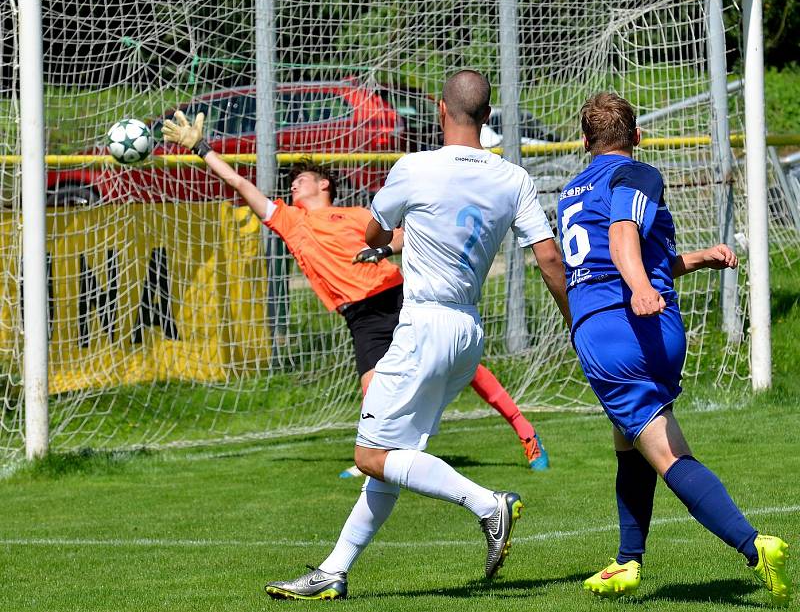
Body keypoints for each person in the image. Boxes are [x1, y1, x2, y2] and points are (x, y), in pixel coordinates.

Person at [260, 69, 570, 599]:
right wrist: (574, 320)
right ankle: (333, 571)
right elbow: (547, 257)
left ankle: (487, 504)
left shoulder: (415, 167)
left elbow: (373, 231)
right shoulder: (512, 178)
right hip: (468, 332)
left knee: (368, 455)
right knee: (393, 456)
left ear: (441, 113)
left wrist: (384, 240)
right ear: (488, 118)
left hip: (422, 323)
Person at [160, 111, 550, 478]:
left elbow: (401, 234)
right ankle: (379, 457)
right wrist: (201, 148)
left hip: (395, 296)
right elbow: (240, 184)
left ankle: (526, 433)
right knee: (373, 387)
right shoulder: (290, 222)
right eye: (291, 180)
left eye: (302, 177)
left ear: (323, 183)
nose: (293, 183)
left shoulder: (354, 215)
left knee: (464, 369)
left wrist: (382, 249)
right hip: (359, 315)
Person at [558, 92, 791, 604]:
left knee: (666, 452)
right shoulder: (636, 174)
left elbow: (618, 242)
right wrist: (681, 268)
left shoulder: (573, 190)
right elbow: (628, 248)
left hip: (616, 329)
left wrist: (647, 285)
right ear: (637, 137)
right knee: (630, 439)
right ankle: (627, 561)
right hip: (639, 321)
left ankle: (755, 546)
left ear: (585, 143)